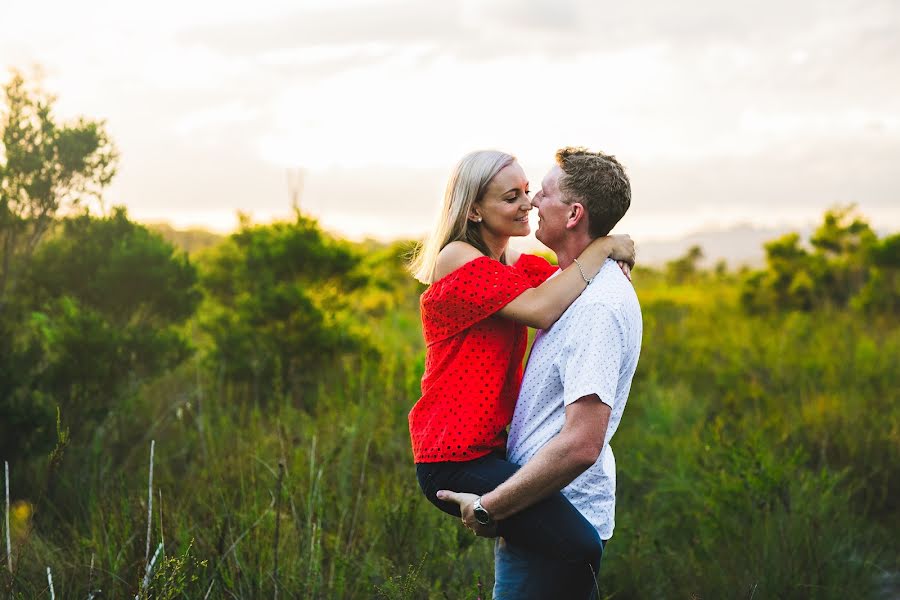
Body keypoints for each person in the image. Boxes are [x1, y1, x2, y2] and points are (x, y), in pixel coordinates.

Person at [407, 149, 634, 577]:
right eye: (511, 197)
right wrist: (605, 245)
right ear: (473, 210)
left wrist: (610, 254)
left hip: (486, 451)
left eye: (528, 192)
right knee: (580, 544)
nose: (527, 204)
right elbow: (543, 307)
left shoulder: (506, 264)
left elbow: (561, 280)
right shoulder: (456, 258)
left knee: (570, 541)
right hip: (451, 457)